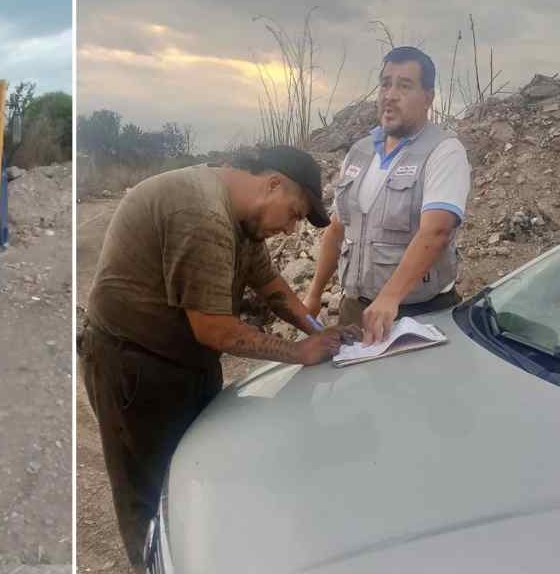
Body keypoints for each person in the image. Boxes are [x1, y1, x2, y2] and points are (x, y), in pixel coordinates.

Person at [80, 145, 359, 570]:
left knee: (196, 474)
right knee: (153, 499)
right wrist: (299, 352)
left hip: (182, 361)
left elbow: (270, 284)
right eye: (295, 213)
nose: (290, 228)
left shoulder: (240, 219)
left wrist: (320, 332)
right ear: (273, 184)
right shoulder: (202, 213)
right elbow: (214, 329)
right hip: (132, 365)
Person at [304, 46, 472, 345]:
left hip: (416, 314)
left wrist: (389, 298)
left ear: (428, 97)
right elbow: (338, 228)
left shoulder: (444, 152)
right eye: (385, 83)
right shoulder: (359, 152)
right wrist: (314, 294)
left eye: (404, 86)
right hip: (355, 309)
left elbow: (436, 232)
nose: (390, 95)